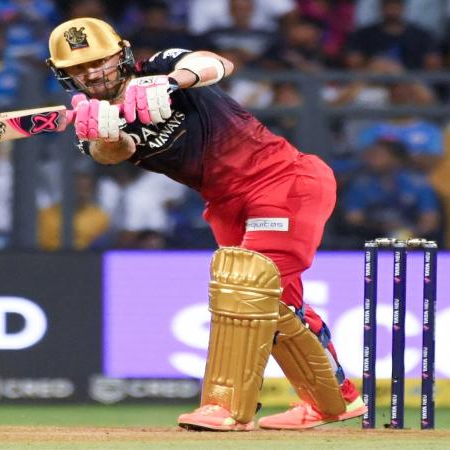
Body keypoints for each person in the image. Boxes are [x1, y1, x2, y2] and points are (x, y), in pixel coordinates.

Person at [45, 17, 364, 430]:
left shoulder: (160, 66)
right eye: (79, 69)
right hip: (226, 202)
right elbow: (113, 153)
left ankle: (226, 406)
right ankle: (335, 402)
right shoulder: (92, 119)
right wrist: (107, 135)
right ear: (65, 76)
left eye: (100, 62)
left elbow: (217, 64)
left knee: (244, 288)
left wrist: (171, 82)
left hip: (283, 180)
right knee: (278, 304)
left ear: (121, 55)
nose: (92, 74)